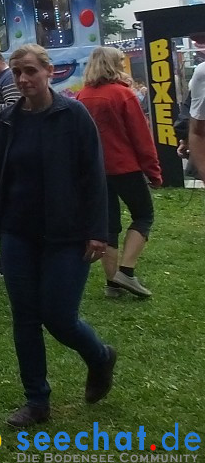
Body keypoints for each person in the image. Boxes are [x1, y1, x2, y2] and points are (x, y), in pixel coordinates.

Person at [0, 44, 115, 429]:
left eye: (31, 72)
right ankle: (36, 401)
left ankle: (100, 357)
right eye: (18, 72)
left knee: (59, 317)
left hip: (67, 234)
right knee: (25, 317)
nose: (23, 80)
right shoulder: (9, 119)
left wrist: (97, 231)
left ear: (49, 72)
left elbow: (93, 176)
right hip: (18, 232)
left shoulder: (73, 115)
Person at [76, 47, 162, 299]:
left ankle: (112, 283)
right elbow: (141, 137)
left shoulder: (82, 96)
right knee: (144, 215)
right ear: (115, 64)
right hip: (125, 167)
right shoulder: (123, 95)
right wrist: (153, 171)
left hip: (95, 171)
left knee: (109, 224)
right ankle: (126, 271)